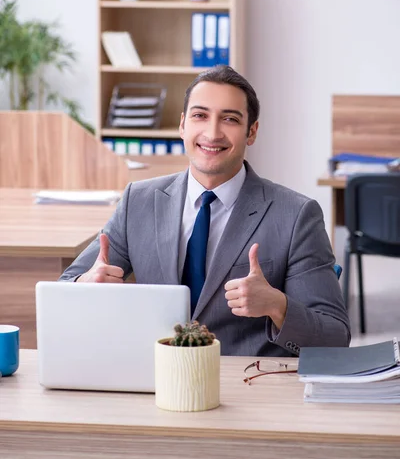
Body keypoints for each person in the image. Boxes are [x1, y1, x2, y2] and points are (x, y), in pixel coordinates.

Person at [59, 65, 350, 356]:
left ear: (252, 132)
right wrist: (85, 285)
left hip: (247, 386)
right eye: (200, 116)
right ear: (183, 125)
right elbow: (62, 292)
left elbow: (334, 336)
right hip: (157, 381)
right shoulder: (139, 200)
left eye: (230, 119)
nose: (212, 133)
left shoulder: (296, 215)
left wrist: (277, 305)